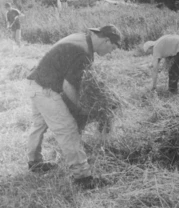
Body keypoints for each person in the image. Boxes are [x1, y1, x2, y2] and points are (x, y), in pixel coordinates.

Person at [26, 25, 122, 189]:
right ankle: (83, 178)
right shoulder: (82, 52)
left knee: (39, 125)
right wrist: (81, 108)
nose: (111, 52)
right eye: (112, 48)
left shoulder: (82, 37)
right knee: (68, 129)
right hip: (46, 89)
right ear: (106, 40)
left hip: (35, 81)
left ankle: (34, 162)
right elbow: (68, 87)